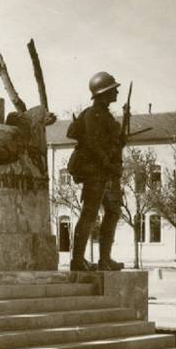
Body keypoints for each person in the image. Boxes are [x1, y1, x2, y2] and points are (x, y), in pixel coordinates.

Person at [66, 71, 125, 272]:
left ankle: (105, 259)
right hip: (96, 172)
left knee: (113, 212)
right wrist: (108, 163)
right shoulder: (92, 114)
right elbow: (92, 143)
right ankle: (77, 260)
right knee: (89, 214)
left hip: (108, 173)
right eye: (113, 89)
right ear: (104, 92)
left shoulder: (106, 115)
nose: (117, 91)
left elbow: (110, 143)